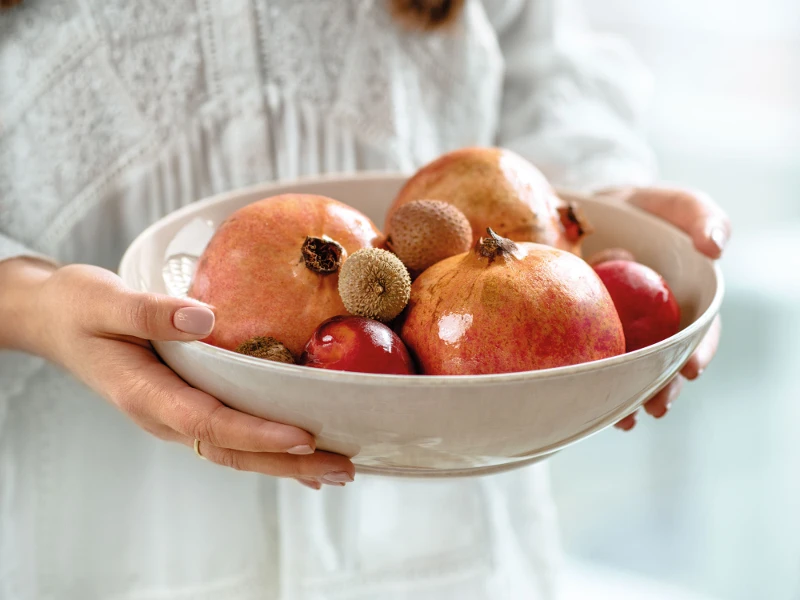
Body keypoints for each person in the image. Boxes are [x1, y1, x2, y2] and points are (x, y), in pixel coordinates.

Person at [0, 1, 730, 598]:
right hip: (101, 495)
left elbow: (546, 69)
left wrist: (599, 198)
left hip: (451, 474)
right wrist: (31, 302)